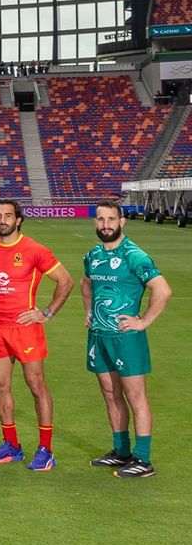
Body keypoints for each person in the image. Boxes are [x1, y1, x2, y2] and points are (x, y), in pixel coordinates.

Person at [0, 199, 73, 471]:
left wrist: (47, 312)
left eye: (8, 215)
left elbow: (65, 281)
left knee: (36, 386)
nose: (3, 220)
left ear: (18, 220)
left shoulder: (34, 249)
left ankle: (46, 449)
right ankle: (11, 445)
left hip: (25, 329)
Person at [81, 201, 171, 478]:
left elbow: (163, 291)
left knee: (135, 396)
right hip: (99, 336)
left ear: (122, 222)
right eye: (101, 219)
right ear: (95, 222)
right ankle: (121, 452)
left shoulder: (135, 255)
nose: (105, 225)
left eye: (111, 219)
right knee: (110, 395)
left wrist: (143, 321)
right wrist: (89, 311)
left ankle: (142, 459)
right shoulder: (93, 255)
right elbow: (86, 283)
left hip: (126, 338)